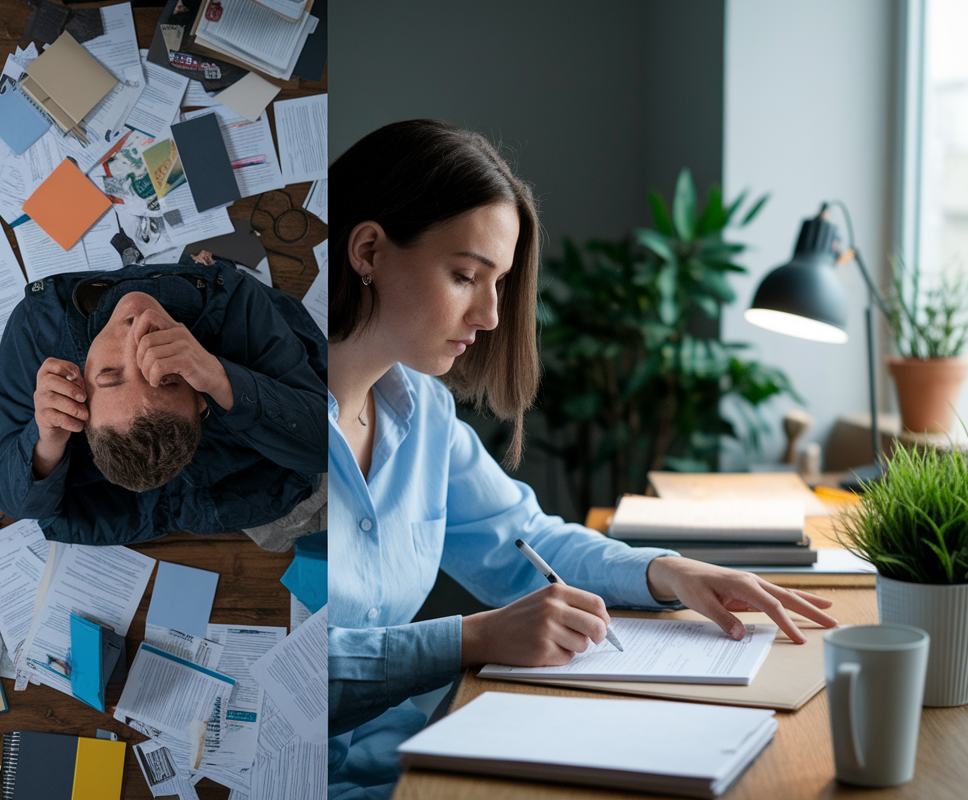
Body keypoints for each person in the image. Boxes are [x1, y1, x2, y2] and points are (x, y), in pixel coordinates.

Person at [326, 119, 839, 799]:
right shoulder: (243, 431)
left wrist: (668, 572)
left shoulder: (422, 413)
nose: (488, 316)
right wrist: (471, 640)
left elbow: (526, 544)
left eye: (499, 284)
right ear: (368, 251)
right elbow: (256, 675)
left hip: (403, 763)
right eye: (464, 276)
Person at [0, 257, 327, 545]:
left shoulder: (37, 327)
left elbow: (14, 500)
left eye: (110, 374)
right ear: (200, 400)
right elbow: (329, 446)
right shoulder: (235, 308)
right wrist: (222, 379)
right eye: (167, 376)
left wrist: (47, 438)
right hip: (247, 496)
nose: (137, 340)